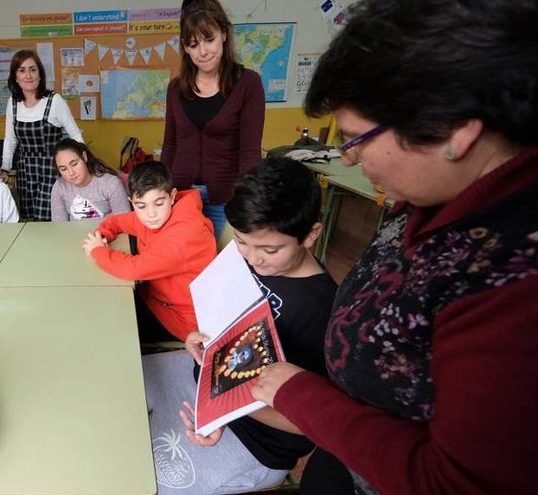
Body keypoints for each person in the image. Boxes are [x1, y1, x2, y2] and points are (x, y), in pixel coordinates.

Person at [249, 1, 538, 493]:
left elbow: (451, 482)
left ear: (455, 128)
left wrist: (305, 398)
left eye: (358, 139)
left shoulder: (513, 285)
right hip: (342, 453)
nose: (351, 157)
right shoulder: (434, 195)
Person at [142, 158, 353, 495]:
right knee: (124, 382)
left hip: (256, 441)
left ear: (311, 234)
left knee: (144, 479)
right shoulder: (247, 259)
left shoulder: (323, 311)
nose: (253, 259)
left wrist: (220, 414)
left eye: (270, 249)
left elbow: (309, 423)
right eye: (241, 241)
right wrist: (201, 338)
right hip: (205, 383)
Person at [162, 0, 265, 238]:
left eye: (210, 39)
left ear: (224, 35)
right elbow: (170, 145)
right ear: (185, 48)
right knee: (185, 267)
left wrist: (249, 201)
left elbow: (249, 151)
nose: (203, 51)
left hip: (226, 199)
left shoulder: (248, 84)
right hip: (181, 197)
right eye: (193, 44)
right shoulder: (176, 88)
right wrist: (163, 193)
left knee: (223, 266)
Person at [82, 161, 216, 342]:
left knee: (106, 325)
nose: (151, 214)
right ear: (132, 203)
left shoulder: (186, 233)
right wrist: (103, 236)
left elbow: (134, 269)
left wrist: (98, 251)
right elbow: (116, 222)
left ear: (172, 196)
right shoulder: (157, 216)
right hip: (155, 299)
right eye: (141, 206)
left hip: (181, 320)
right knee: (100, 305)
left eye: (158, 203)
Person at [1, 49, 84, 221]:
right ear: (15, 77)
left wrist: (84, 163)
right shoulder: (12, 103)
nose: (28, 75)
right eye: (22, 70)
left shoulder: (55, 101)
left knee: (51, 218)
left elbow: (75, 134)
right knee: (29, 219)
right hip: (26, 170)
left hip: (52, 169)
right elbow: (10, 140)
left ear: (40, 74)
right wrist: (5, 168)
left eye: (33, 69)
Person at [51, 138, 130, 221]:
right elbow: (59, 225)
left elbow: (124, 222)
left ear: (84, 157)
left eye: (74, 164)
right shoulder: (60, 187)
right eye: (63, 169)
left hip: (107, 233)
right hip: (72, 234)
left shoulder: (111, 183)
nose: (71, 173)